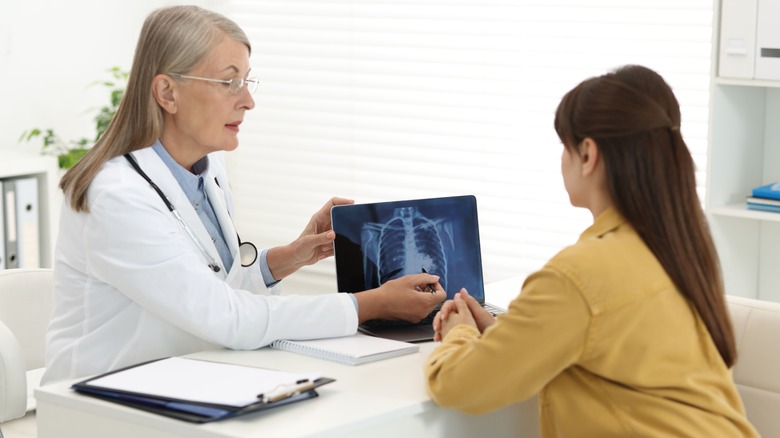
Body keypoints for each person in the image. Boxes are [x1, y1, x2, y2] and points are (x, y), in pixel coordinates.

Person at [43, 5, 444, 384]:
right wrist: (371, 304)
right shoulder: (115, 196)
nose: (248, 101)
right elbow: (225, 315)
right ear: (167, 93)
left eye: (247, 81)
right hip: (101, 397)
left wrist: (287, 258)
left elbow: (216, 287)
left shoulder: (207, 168)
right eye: (229, 82)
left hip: (188, 377)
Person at [424, 65, 758, 437]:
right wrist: (507, 336)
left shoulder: (580, 274)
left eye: (563, 146)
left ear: (587, 154)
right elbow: (618, 350)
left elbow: (461, 386)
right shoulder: (678, 247)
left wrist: (459, 333)